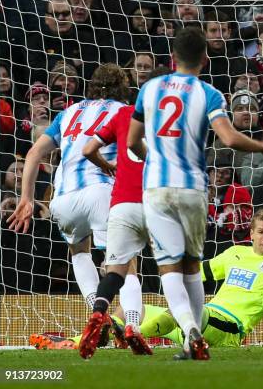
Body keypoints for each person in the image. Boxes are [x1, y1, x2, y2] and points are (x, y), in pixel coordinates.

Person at [127, 27, 263, 361]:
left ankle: (190, 331)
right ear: (205, 59)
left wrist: (153, 155)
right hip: (193, 189)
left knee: (169, 269)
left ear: (172, 58)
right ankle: (193, 341)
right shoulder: (209, 93)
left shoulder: (149, 89)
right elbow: (230, 138)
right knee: (192, 266)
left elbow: (131, 141)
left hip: (157, 188)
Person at [30, 209, 263, 350]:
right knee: (130, 312)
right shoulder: (234, 253)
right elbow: (198, 273)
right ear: (252, 232)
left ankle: (123, 340)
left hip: (227, 328)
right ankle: (72, 343)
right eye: (261, 231)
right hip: (194, 328)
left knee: (184, 311)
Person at [7, 63, 136, 317]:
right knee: (125, 263)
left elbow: (33, 153)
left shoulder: (68, 112)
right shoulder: (124, 111)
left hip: (63, 200)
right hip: (102, 193)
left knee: (79, 253)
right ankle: (131, 323)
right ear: (123, 89)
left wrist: (27, 199)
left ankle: (98, 315)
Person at [77, 102, 153, 359]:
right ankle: (133, 325)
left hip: (121, 203)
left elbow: (88, 149)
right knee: (174, 270)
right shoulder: (175, 116)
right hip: (156, 201)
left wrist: (107, 164)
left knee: (116, 271)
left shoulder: (122, 115)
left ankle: (99, 312)